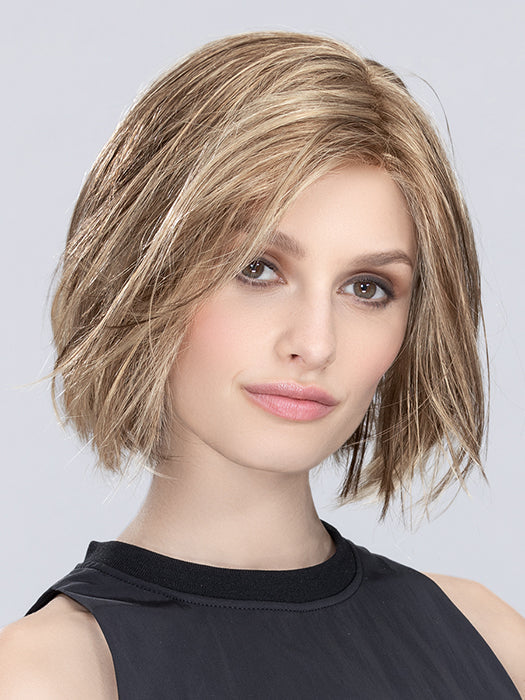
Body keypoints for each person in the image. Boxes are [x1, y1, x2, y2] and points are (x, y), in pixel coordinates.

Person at [0, 30, 523, 698]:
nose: (316, 342)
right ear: (142, 274)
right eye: (257, 268)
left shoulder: (489, 638)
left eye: (367, 287)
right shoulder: (53, 674)